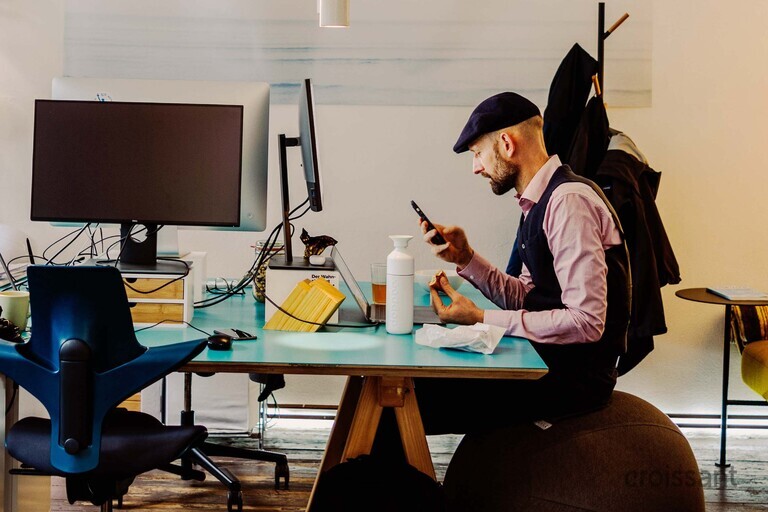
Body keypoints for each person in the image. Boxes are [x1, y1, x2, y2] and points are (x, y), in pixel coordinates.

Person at [411, 91, 631, 435]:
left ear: (506, 143)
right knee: (404, 386)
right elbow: (529, 296)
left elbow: (587, 322)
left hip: (570, 383)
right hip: (542, 363)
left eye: (477, 153)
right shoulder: (538, 201)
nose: (476, 168)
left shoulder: (568, 203)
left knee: (407, 399)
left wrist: (482, 318)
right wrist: (466, 259)